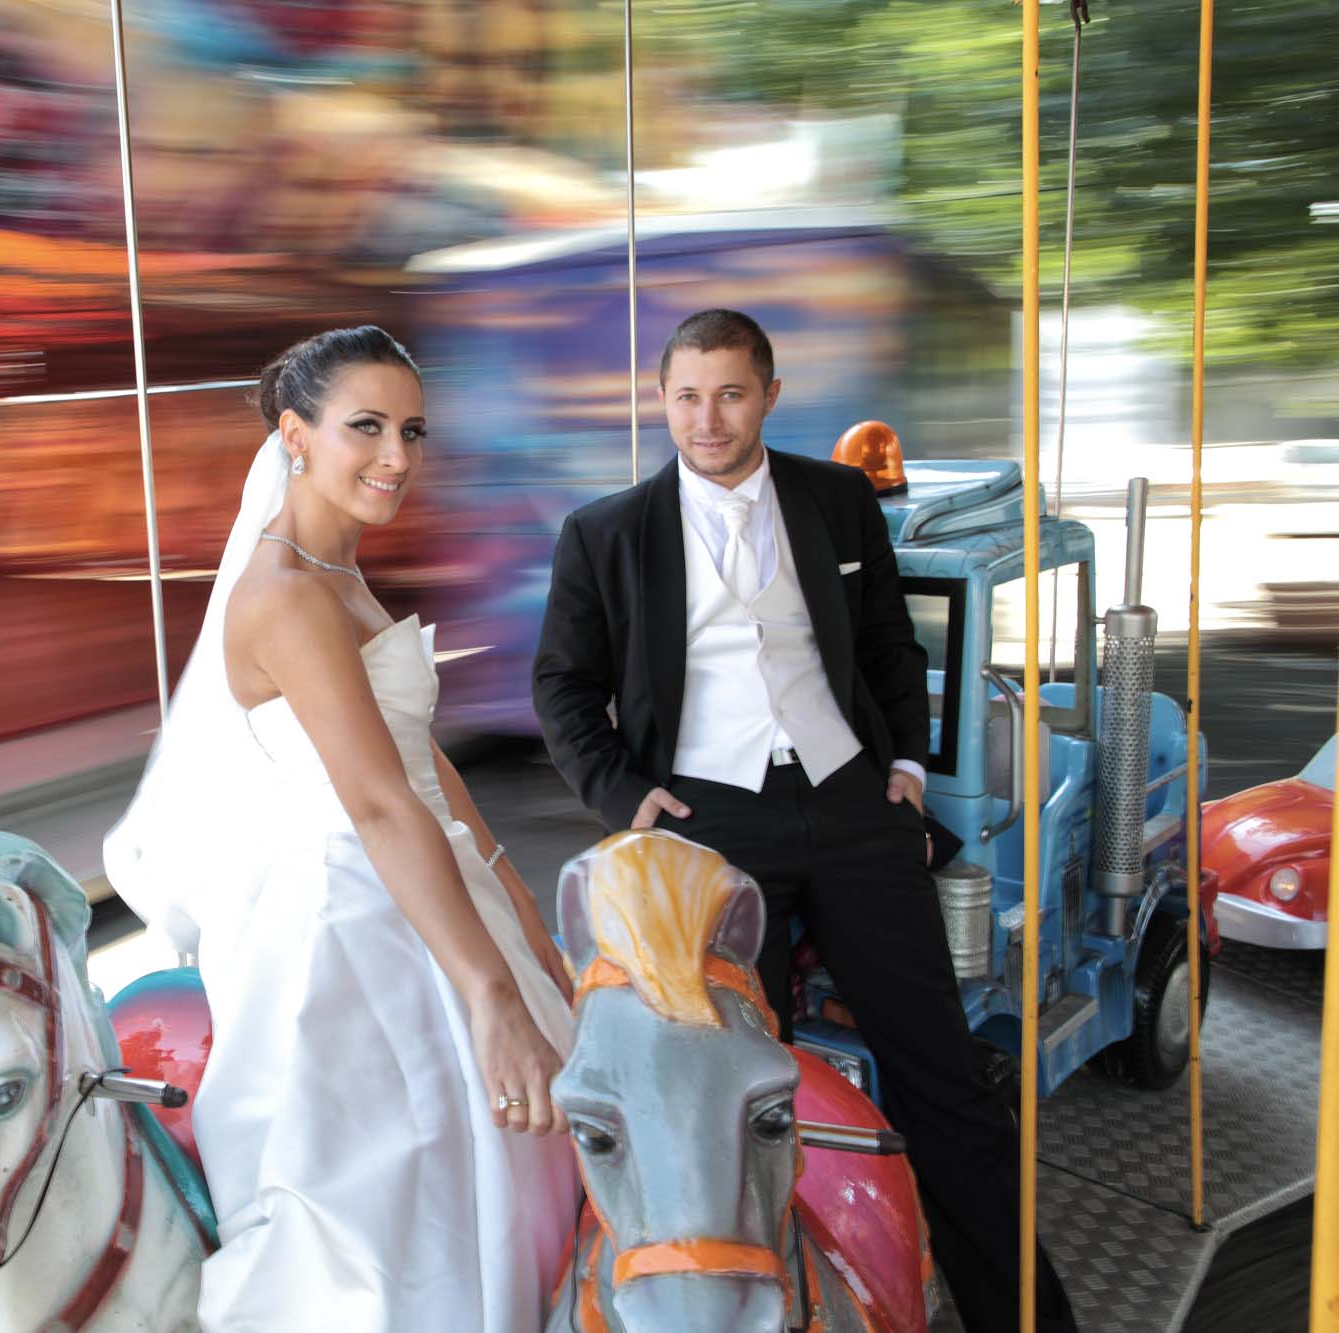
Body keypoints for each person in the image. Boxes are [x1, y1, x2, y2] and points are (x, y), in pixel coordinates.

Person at [531, 309, 1077, 1333]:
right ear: (661, 401)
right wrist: (624, 796)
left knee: (943, 1082)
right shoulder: (604, 532)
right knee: (719, 1100)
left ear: (769, 396)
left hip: (848, 801)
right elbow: (562, 685)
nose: (707, 418)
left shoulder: (834, 499)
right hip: (705, 821)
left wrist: (904, 763)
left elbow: (888, 645)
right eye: (686, 396)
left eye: (730, 394)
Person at [104, 326, 577, 1332]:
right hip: (357, 920)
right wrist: (490, 991)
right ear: (294, 434)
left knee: (504, 1160)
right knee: (418, 1202)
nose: (396, 455)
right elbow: (376, 800)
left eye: (412, 430)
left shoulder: (338, 573)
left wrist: (519, 908)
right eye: (366, 427)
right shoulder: (285, 594)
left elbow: (421, 761)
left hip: (428, 881)